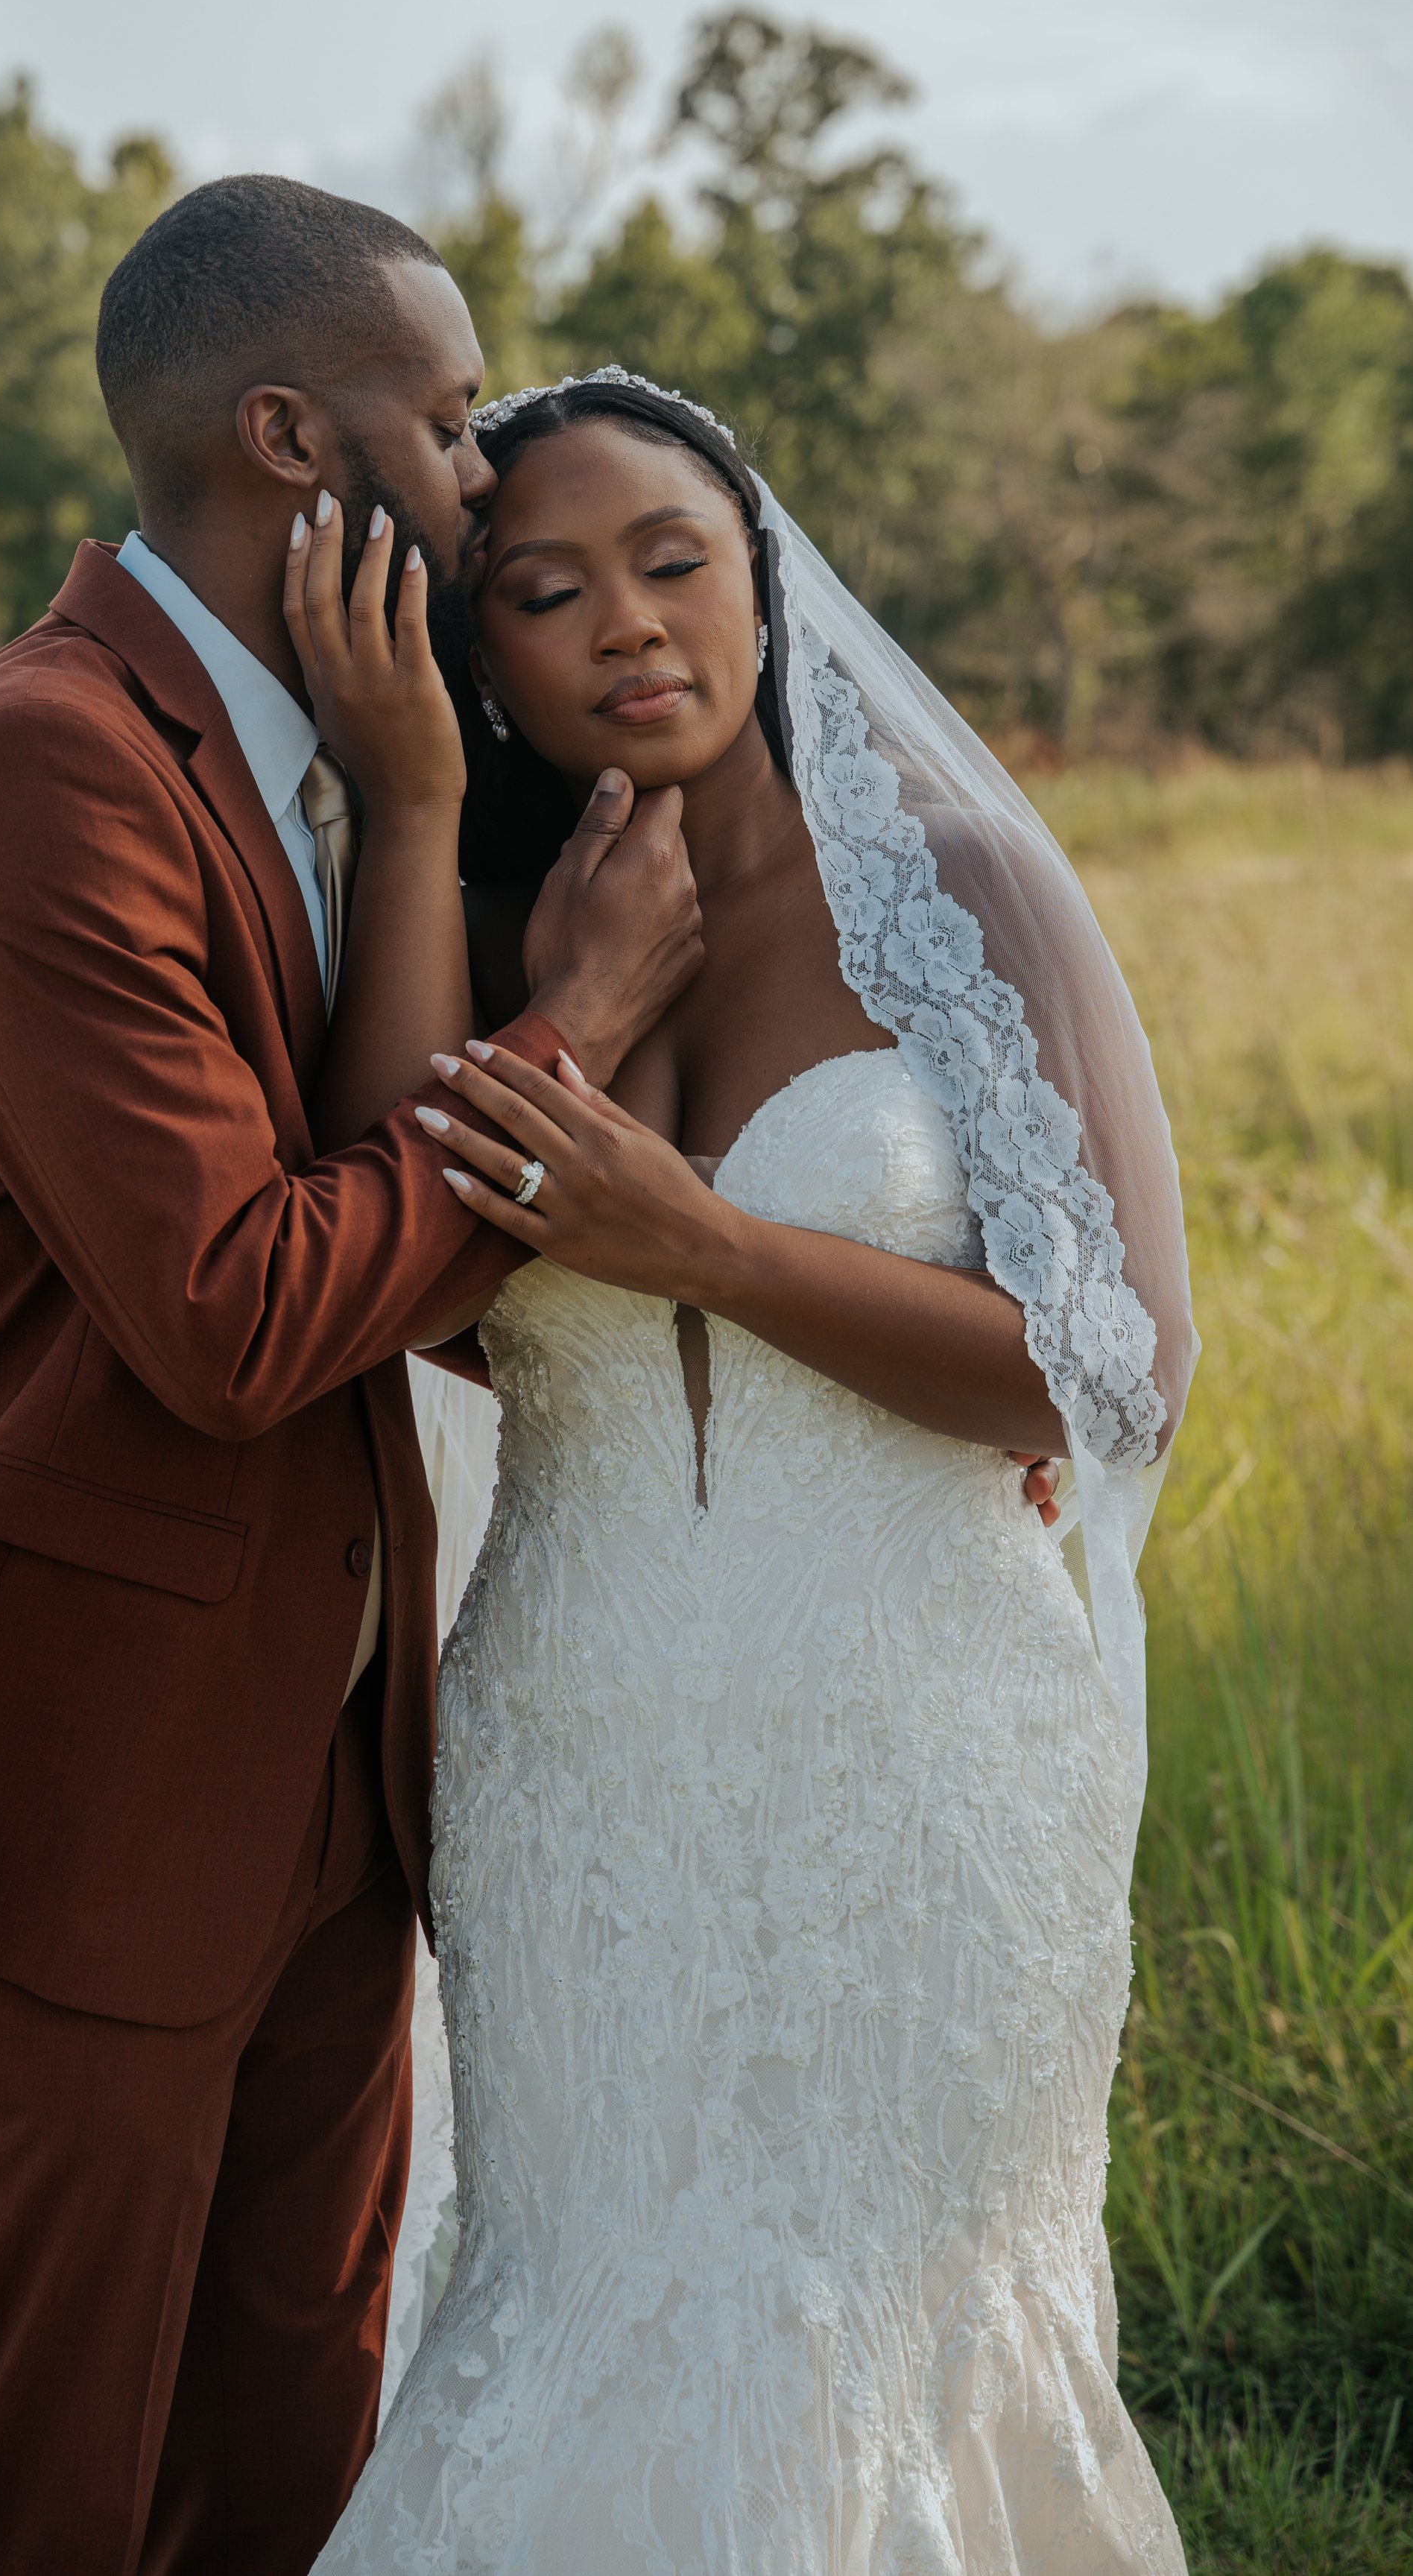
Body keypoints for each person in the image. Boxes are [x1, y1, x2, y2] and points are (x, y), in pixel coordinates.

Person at [0, 181, 710, 2576]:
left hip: (332, 1749)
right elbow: (240, 1314)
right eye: (445, 410)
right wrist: (566, 1030)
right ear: (292, 436)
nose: (485, 469)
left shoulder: (356, 755)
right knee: (50, 2492)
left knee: (289, 2461)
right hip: (83, 1769)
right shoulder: (44, 764)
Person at [306, 370, 1195, 2571]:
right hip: (576, 1762)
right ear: (472, 646)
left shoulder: (965, 892)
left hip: (924, 1755)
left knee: (887, 2310)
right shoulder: (489, 914)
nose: (626, 626)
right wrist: (422, 827)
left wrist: (703, 1245)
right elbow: (390, 1289)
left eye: (673, 562)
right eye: (542, 591)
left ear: (764, 583)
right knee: (586, 2299)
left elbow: (1107, 1374)